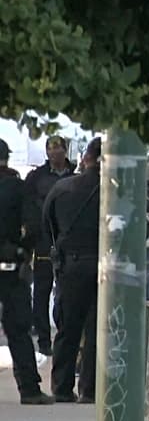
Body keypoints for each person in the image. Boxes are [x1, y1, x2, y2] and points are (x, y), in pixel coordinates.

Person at [43, 137, 102, 403]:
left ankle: (62, 386)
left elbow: (47, 224)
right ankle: (89, 389)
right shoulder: (116, 193)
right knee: (96, 330)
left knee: (67, 328)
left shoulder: (62, 188)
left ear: (86, 158)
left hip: (70, 264)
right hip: (102, 264)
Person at [0, 139, 55, 404]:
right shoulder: (17, 188)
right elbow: (33, 226)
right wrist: (21, 249)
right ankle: (29, 389)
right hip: (10, 267)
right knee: (18, 330)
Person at [24, 136, 76, 356]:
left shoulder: (75, 177)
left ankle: (65, 336)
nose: (54, 153)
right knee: (42, 291)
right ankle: (44, 340)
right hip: (44, 241)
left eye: (58, 148)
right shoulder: (36, 177)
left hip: (69, 241)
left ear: (65, 150)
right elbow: (27, 205)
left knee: (67, 292)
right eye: (50, 149)